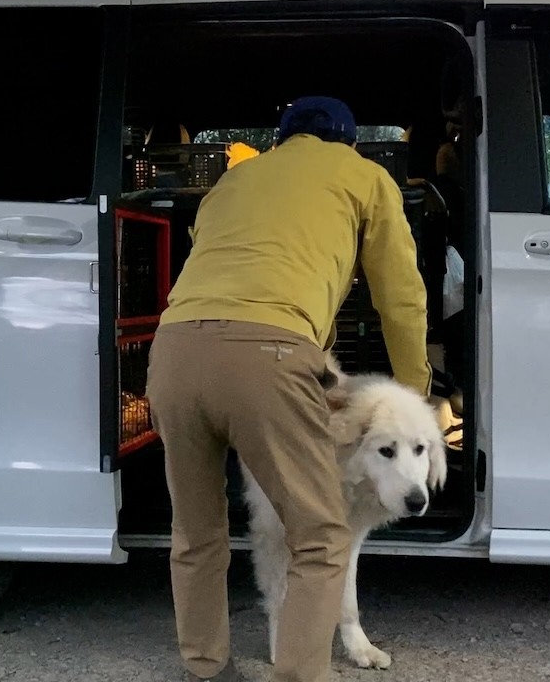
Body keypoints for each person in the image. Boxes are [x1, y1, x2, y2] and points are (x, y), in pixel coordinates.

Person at [145, 96, 431, 682]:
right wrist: (415, 395)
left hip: (173, 350)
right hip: (269, 354)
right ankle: (300, 675)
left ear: (282, 139)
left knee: (197, 531)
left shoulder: (238, 176)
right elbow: (400, 295)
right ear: (348, 143)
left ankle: (206, 669)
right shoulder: (365, 177)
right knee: (321, 536)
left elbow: (213, 242)